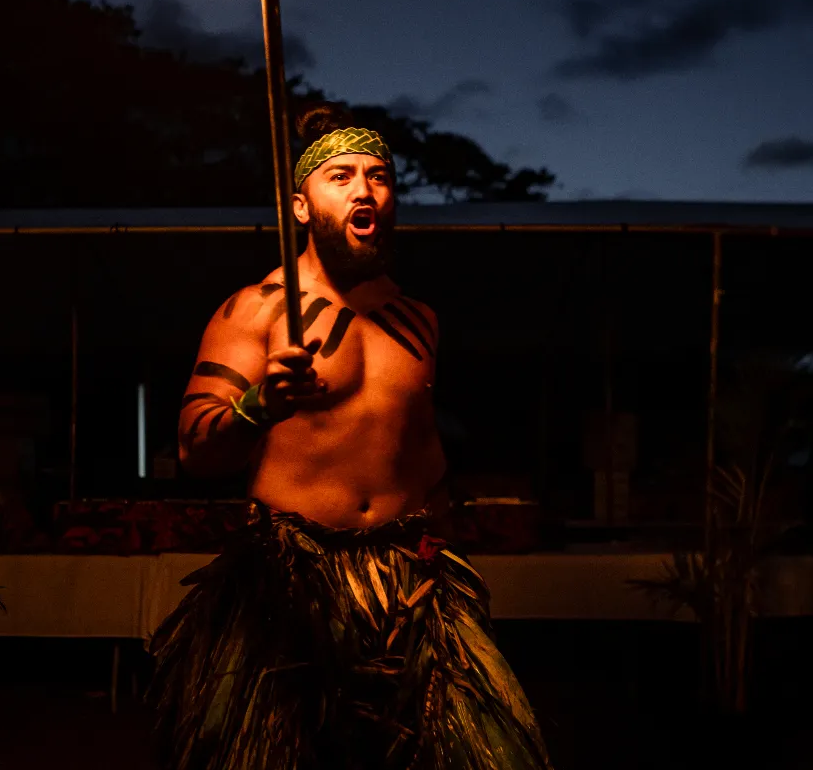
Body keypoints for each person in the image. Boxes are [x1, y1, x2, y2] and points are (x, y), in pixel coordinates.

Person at [148, 106, 552, 769]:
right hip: (291, 586)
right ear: (300, 206)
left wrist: (448, 560)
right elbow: (196, 448)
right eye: (341, 177)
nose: (365, 190)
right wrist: (259, 405)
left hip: (411, 588)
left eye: (379, 177)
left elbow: (422, 452)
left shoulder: (418, 320)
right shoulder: (257, 309)